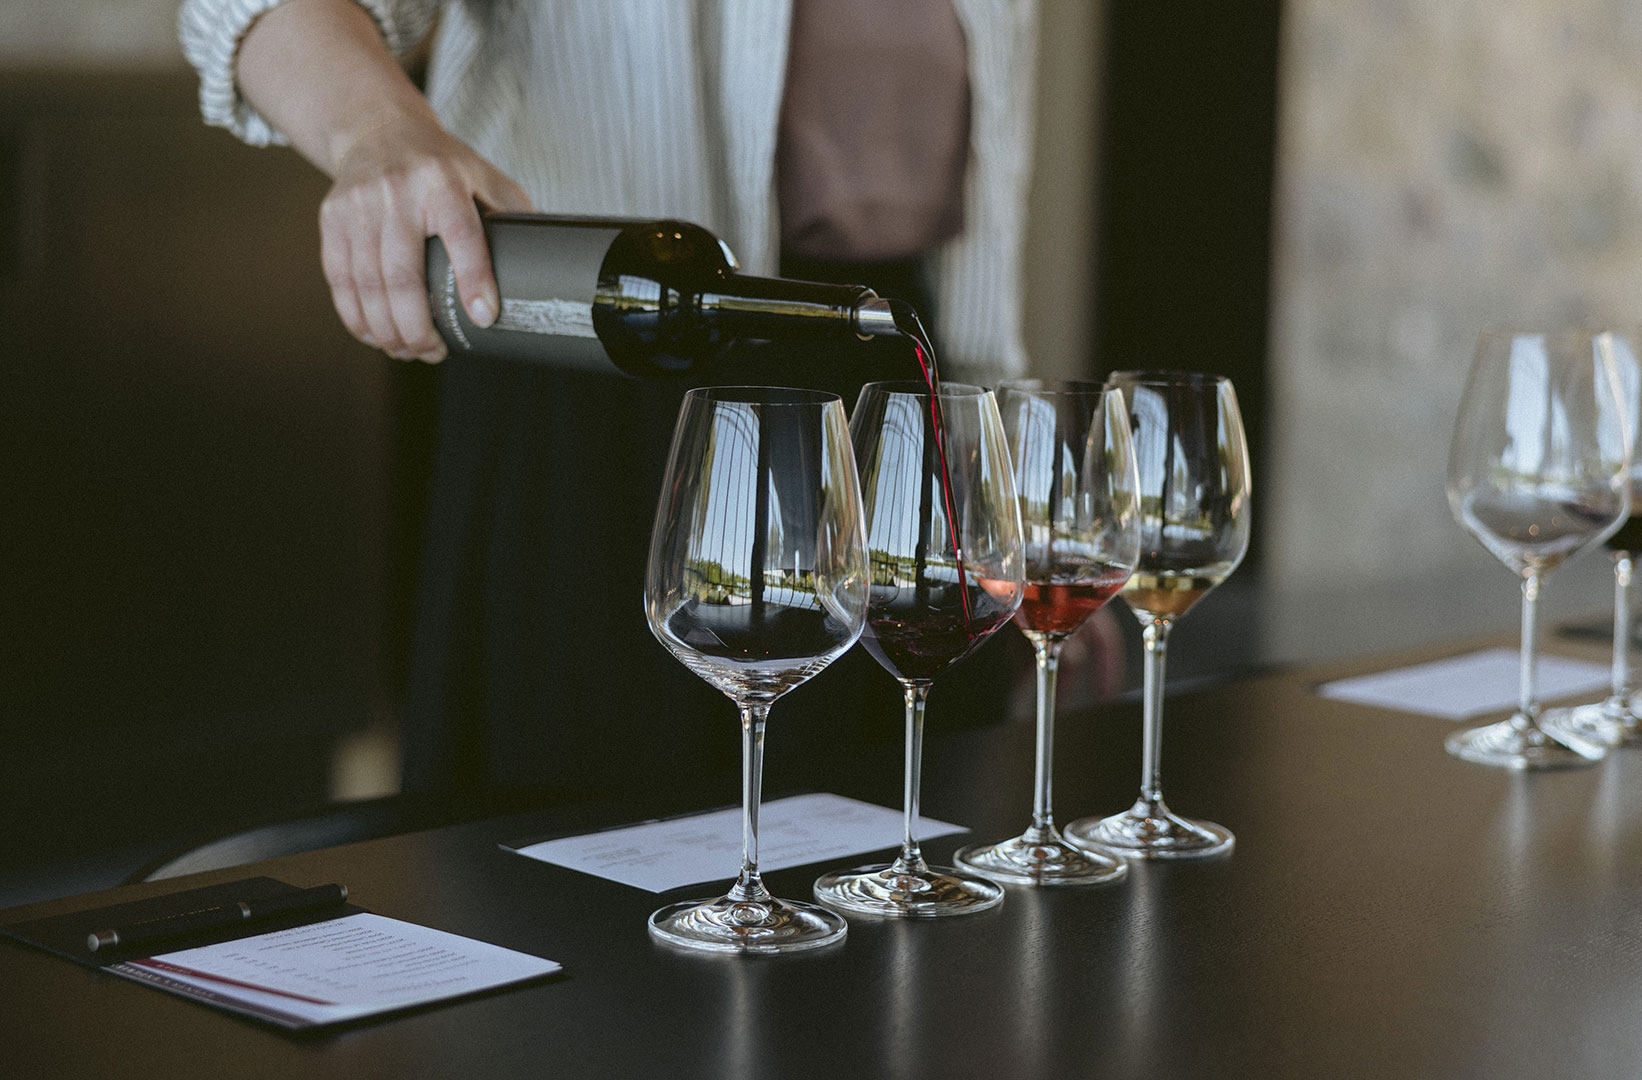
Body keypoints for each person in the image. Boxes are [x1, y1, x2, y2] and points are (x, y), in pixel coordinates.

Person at [179, 0, 1039, 795]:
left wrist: (1021, 515)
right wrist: (378, 129)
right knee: (573, 850)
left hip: (889, 392)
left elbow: (984, 222)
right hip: (599, 384)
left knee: (896, 841)